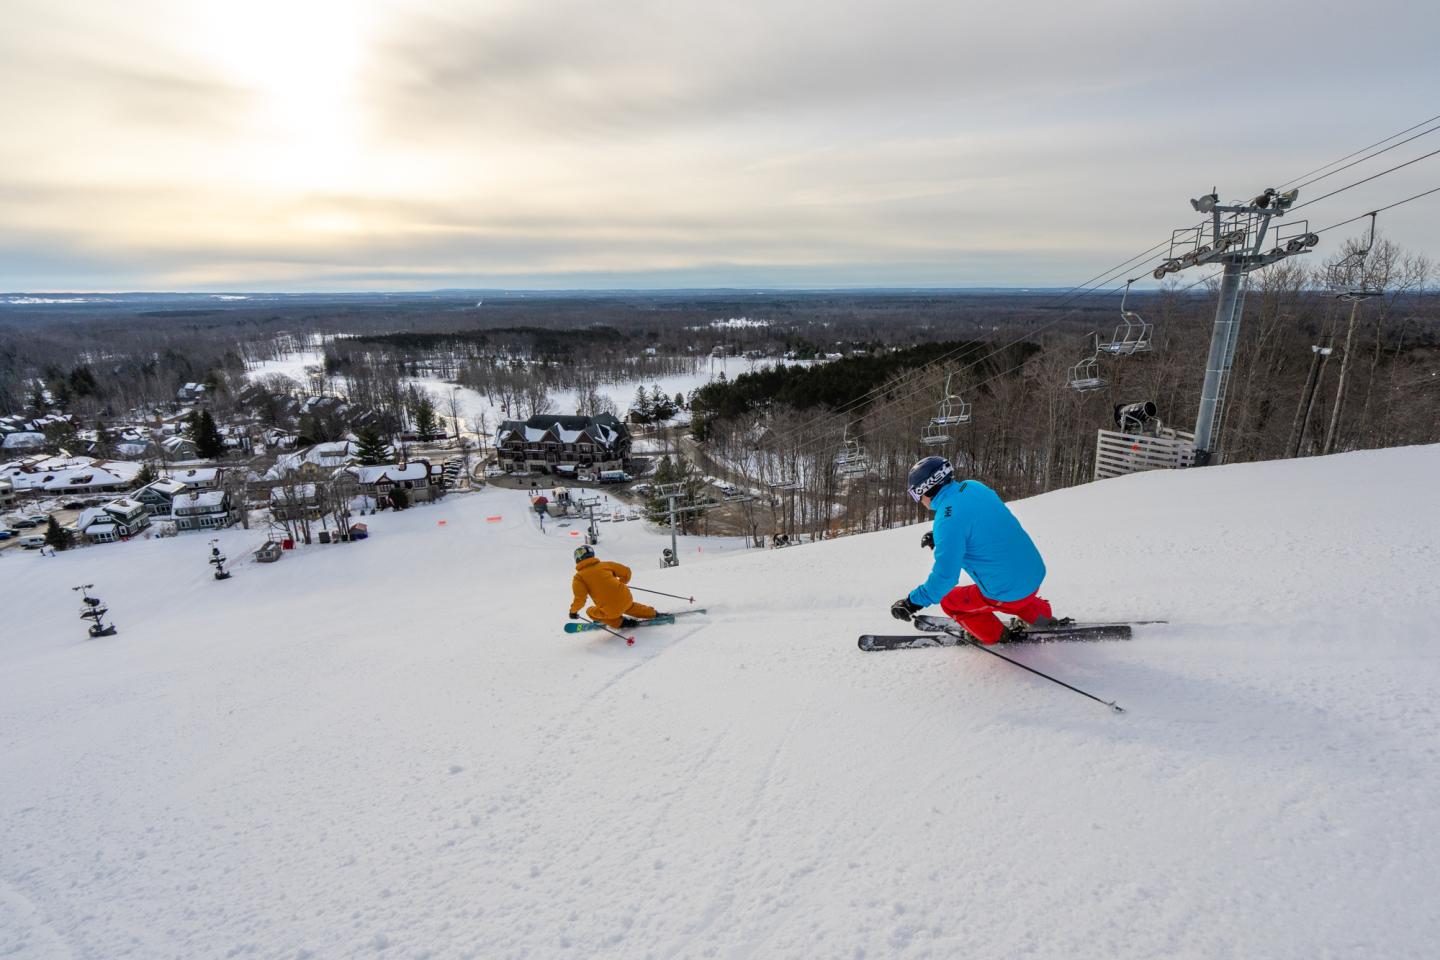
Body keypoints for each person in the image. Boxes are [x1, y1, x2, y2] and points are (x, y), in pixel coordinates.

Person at [890, 456, 1055, 644]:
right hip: (1033, 575)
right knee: (1012, 588)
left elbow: (945, 578)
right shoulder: (974, 487)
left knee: (950, 602)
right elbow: (981, 524)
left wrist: (912, 602)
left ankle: (996, 636)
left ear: (925, 488)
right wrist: (946, 538)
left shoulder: (947, 519)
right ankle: (1042, 617)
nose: (918, 500)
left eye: (915, 494)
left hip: (1007, 592)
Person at [569, 545, 658, 629]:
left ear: (577, 559)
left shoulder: (579, 577)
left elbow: (580, 600)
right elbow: (627, 572)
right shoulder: (605, 565)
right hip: (626, 597)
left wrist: (573, 612)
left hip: (610, 610)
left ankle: (620, 622)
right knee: (629, 606)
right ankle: (653, 613)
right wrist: (620, 584)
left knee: (590, 611)